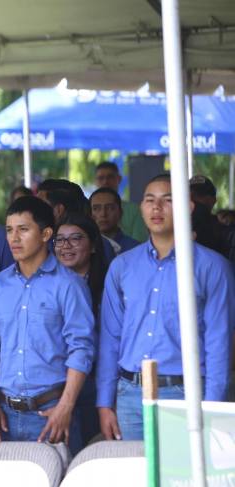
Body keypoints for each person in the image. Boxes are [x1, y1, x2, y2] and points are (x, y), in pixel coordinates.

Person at [97, 174, 235, 441]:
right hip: (130, 394)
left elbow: (219, 343)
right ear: (141, 208)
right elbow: (110, 338)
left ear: (189, 207)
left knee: (182, 478)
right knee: (134, 477)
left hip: (186, 393)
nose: (156, 208)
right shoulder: (122, 266)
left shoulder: (212, 267)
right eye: (150, 200)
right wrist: (105, 402)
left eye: (167, 200)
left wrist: (213, 406)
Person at [0, 196, 95, 456]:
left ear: (46, 234)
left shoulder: (69, 284)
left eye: (23, 229)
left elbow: (81, 349)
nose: (14, 238)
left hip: (51, 411)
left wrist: (66, 406)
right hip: (3, 413)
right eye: (9, 230)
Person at [53, 213, 109, 443]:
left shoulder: (108, 284)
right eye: (60, 239)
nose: (66, 245)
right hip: (58, 384)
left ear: (93, 245)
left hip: (96, 384)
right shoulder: (45, 286)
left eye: (76, 238)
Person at [94, 161, 147, 242]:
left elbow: (139, 243)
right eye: (101, 178)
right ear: (95, 181)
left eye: (110, 177)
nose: (105, 182)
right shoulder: (87, 208)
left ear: (119, 179)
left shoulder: (133, 209)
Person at [89, 187, 140, 254]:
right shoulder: (85, 248)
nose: (103, 214)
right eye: (96, 208)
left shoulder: (135, 248)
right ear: (89, 214)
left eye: (110, 208)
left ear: (120, 213)